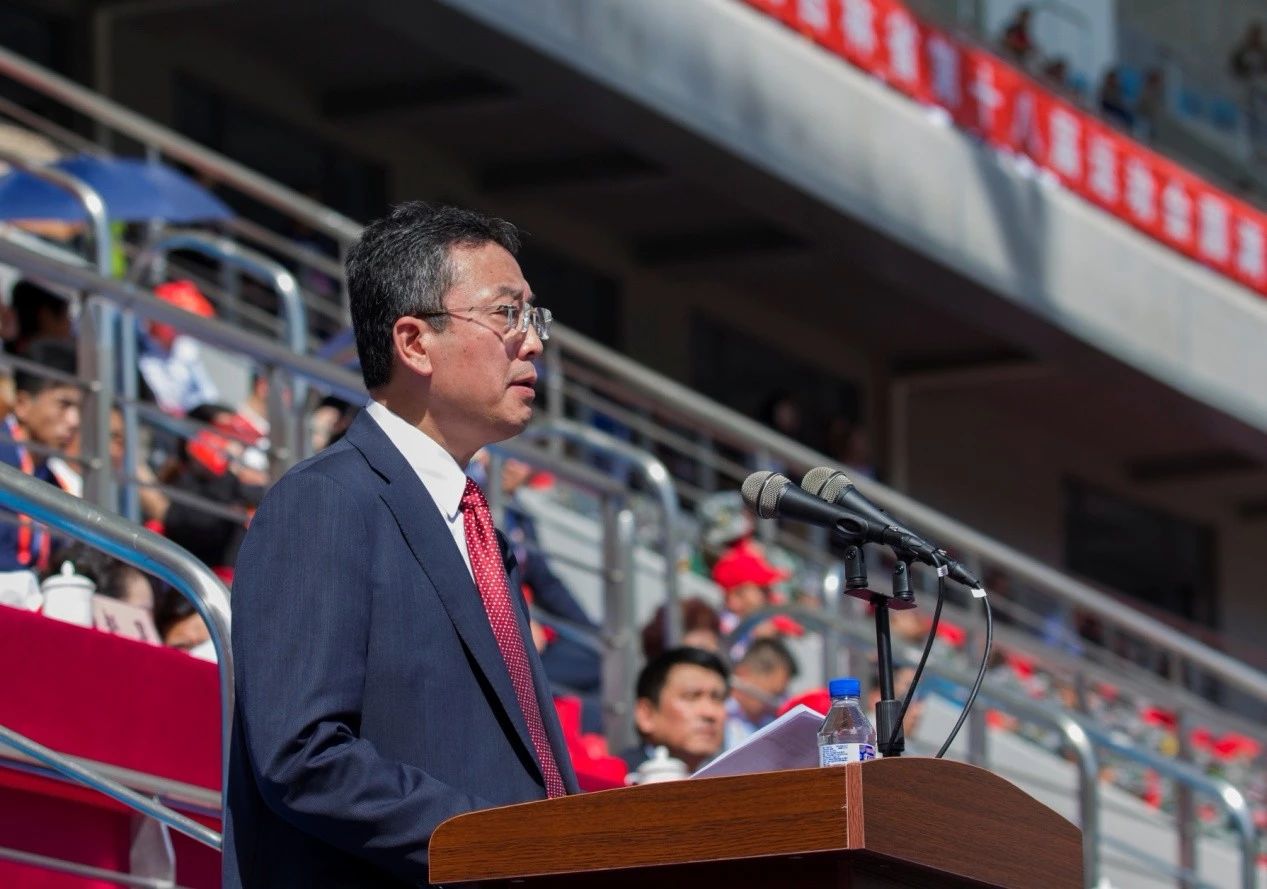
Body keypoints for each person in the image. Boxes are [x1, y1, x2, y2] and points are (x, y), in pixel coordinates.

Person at [224, 203, 576, 888]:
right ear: (414, 342)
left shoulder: (480, 531)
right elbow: (302, 754)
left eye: (534, 317)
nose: (532, 342)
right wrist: (504, 848)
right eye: (507, 314)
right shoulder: (325, 500)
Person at [0, 339, 81, 573]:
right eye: (63, 404)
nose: (74, 421)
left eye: (79, 409)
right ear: (23, 404)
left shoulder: (52, 482)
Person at [623, 646, 729, 774]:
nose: (709, 713)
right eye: (691, 696)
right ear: (646, 715)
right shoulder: (616, 782)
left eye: (718, 698)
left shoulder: (734, 779)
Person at [726, 637, 798, 748]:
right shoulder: (720, 718)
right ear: (743, 675)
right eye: (772, 695)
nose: (773, 707)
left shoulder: (768, 723)